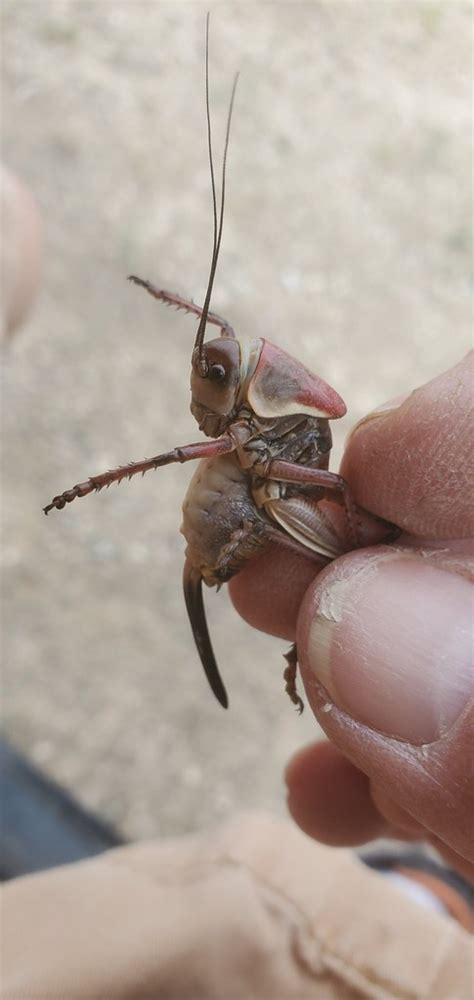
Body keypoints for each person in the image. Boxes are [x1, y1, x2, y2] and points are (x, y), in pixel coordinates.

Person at [2, 172, 472, 998]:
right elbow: (221, 332)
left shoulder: (271, 431)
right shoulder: (248, 394)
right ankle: (427, 905)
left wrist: (91, 483)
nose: (206, 385)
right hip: (252, 488)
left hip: (270, 511)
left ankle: (420, 899)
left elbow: (279, 480)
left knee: (350, 566)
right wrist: (178, 306)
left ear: (257, 393)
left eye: (218, 377)